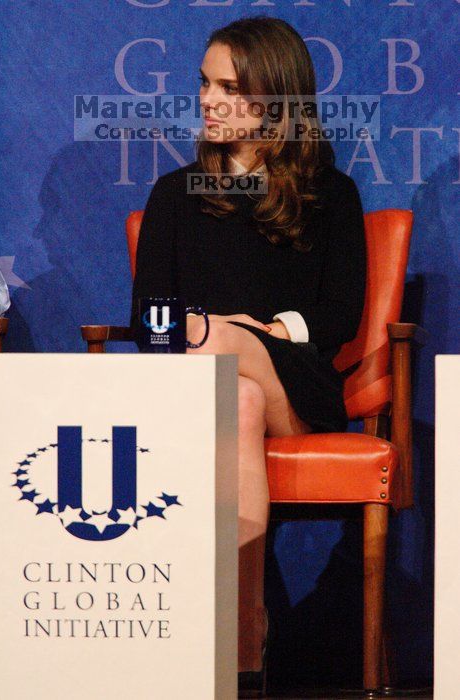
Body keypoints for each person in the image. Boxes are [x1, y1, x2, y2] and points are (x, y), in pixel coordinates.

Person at [130, 15, 366, 698]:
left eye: (229, 87)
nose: (208, 100)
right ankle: (246, 632)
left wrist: (256, 333)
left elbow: (340, 318)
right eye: (204, 84)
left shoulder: (331, 195)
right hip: (206, 400)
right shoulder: (175, 196)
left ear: (277, 99)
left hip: (301, 394)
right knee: (234, 396)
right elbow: (150, 323)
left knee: (228, 348)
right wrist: (215, 337)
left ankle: (226, 343)